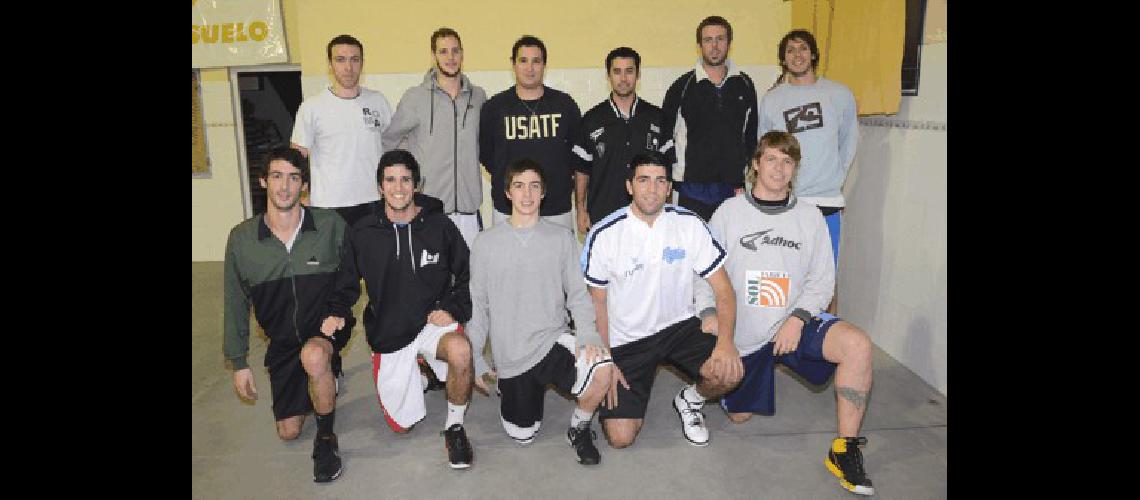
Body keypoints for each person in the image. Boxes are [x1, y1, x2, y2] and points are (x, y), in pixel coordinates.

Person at [700, 131, 875, 496]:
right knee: (739, 415)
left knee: (857, 345)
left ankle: (845, 450)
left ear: (795, 169)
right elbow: (703, 273)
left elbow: (824, 280)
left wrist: (798, 318)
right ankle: (751, 379)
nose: (779, 168)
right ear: (755, 165)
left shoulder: (809, 217)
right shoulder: (728, 214)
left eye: (787, 161)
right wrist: (709, 314)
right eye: (772, 159)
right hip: (745, 334)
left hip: (793, 324)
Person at [323, 149, 476, 469]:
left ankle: (455, 427)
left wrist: (451, 307)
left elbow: (466, 274)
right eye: (390, 180)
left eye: (405, 180)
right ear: (380, 186)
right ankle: (420, 373)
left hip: (432, 322)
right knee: (401, 427)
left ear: (416, 184)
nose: (398, 187)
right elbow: (347, 283)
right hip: (390, 329)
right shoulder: (362, 232)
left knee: (461, 351)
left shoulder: (439, 226)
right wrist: (337, 311)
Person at [580, 151, 743, 449]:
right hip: (627, 339)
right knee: (620, 437)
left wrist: (726, 343)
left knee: (729, 371)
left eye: (660, 181)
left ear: (669, 187)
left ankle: (690, 400)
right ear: (630, 186)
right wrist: (607, 361)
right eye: (644, 180)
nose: (652, 189)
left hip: (678, 328)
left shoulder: (690, 224)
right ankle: (635, 394)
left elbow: (724, 290)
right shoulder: (605, 234)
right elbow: (597, 305)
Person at [466, 159, 615, 465]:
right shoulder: (485, 243)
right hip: (512, 356)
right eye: (519, 186)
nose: (527, 194)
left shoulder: (560, 238)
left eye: (534, 186)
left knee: (602, 368)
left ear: (543, 193)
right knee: (523, 434)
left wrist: (588, 334)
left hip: (552, 341)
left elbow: (577, 294)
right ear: (508, 192)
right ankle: (512, 393)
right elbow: (478, 305)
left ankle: (579, 427)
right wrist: (476, 357)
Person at [223, 147, 354, 483]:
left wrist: (337, 311)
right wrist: (238, 362)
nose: (285, 187)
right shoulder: (242, 240)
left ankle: (325, 439)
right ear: (263, 181)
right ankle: (324, 377)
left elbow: (350, 278)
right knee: (289, 431)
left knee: (314, 355)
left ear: (304, 185)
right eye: (277, 176)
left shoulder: (329, 225)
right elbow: (236, 302)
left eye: (294, 178)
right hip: (282, 340)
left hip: (325, 327)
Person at [757, 29, 858, 270]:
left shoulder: (839, 94)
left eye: (803, 48)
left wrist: (835, 178)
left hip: (826, 199)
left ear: (813, 54)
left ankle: (828, 312)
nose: (797, 55)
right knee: (785, 273)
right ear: (783, 60)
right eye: (790, 50)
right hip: (786, 200)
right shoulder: (771, 100)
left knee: (826, 275)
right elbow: (763, 149)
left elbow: (848, 141)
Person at [383, 27, 488, 248]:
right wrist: (405, 184)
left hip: (469, 211)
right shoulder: (415, 98)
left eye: (455, 51)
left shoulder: (478, 97)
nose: (450, 57)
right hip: (429, 210)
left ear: (462, 54)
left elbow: (485, 145)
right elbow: (389, 143)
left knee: (470, 279)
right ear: (433, 56)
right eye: (443, 52)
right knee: (431, 281)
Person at [479, 35, 583, 233]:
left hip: (556, 209)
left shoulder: (565, 105)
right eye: (523, 60)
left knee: (556, 264)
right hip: (508, 209)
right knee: (508, 264)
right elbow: (488, 157)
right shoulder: (494, 108)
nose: (530, 68)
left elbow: (577, 159)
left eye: (536, 61)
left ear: (545, 65)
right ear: (513, 64)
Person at [661, 15, 758, 221]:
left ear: (729, 44)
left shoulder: (745, 85)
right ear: (699, 46)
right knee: (691, 251)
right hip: (689, 189)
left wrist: (747, 182)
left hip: (733, 189)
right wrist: (668, 185)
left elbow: (750, 138)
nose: (714, 46)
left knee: (730, 251)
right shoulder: (682, 87)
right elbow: (665, 140)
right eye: (708, 40)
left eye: (720, 39)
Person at [291, 34, 392, 226]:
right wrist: (302, 199)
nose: (348, 67)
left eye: (355, 59)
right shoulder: (312, 107)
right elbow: (296, 159)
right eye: (340, 59)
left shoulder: (377, 101)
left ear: (362, 63)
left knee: (371, 257)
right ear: (330, 64)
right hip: (328, 205)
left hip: (374, 201)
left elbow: (393, 147)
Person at [573, 47, 670, 234]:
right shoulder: (591, 120)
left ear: (638, 74)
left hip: (650, 217)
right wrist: (580, 210)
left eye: (629, 71)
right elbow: (582, 170)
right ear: (608, 76)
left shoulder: (657, 118)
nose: (623, 78)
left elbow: (667, 172)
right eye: (617, 72)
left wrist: (668, 209)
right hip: (603, 216)